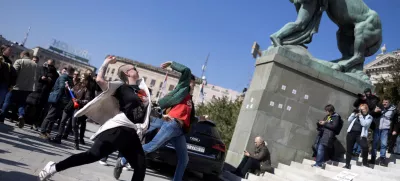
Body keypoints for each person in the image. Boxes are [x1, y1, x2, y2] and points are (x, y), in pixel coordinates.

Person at [38, 56, 151, 181]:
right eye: (134, 69)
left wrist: (162, 115)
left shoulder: (142, 90)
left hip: (132, 133)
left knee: (141, 167)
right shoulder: (121, 88)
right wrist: (106, 63)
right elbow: (99, 80)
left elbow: (145, 110)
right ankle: (53, 167)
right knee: (92, 155)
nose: (137, 70)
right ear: (127, 73)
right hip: (119, 129)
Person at [114, 61, 195, 181]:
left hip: (179, 131)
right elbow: (186, 70)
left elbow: (189, 117)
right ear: (189, 82)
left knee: (184, 159)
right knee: (151, 146)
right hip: (172, 125)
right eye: (193, 83)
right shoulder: (183, 88)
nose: (193, 86)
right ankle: (123, 160)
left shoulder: (190, 100)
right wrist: (171, 64)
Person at [48, 74, 92, 150]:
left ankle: (76, 142)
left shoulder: (87, 89)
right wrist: (67, 89)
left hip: (77, 107)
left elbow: (87, 100)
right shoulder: (77, 85)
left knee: (74, 124)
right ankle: (58, 137)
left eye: (82, 77)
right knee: (62, 121)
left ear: (86, 79)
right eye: (81, 77)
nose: (80, 78)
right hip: (70, 105)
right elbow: (70, 94)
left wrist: (79, 101)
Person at [0, 51, 38, 127]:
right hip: (27, 88)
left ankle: (1, 118)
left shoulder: (19, 61)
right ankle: (21, 115)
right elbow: (36, 77)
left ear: (23, 55)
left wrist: (10, 84)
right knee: (22, 103)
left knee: (7, 101)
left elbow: (13, 73)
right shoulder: (35, 65)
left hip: (16, 86)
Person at [39, 66, 75, 138]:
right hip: (59, 99)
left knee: (52, 116)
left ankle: (46, 131)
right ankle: (42, 131)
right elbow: (62, 87)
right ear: (71, 72)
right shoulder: (64, 77)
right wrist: (67, 88)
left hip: (61, 99)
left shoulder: (67, 78)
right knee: (50, 115)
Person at [26, 59, 59, 130]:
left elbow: (55, 84)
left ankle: (35, 123)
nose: (49, 66)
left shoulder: (55, 74)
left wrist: (50, 80)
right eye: (48, 64)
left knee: (39, 109)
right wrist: (40, 78)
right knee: (29, 105)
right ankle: (23, 119)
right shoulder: (40, 68)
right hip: (36, 90)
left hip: (45, 92)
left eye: (51, 65)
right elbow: (35, 76)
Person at [312, 104, 343, 169]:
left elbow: (334, 126)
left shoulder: (336, 117)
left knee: (321, 149)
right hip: (322, 134)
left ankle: (319, 164)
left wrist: (325, 123)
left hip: (328, 135)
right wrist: (319, 124)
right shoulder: (328, 116)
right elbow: (325, 125)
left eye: (327, 111)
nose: (326, 112)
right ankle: (319, 162)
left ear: (330, 110)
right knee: (318, 148)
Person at [343, 104, 372, 169]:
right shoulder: (356, 115)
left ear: (366, 109)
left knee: (365, 147)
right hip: (351, 133)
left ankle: (365, 162)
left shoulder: (369, 117)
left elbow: (364, 124)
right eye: (360, 109)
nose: (361, 110)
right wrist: (354, 113)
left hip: (360, 135)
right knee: (349, 149)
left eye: (362, 109)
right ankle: (347, 164)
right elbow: (349, 120)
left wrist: (360, 116)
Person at [371, 98, 397, 166]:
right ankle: (373, 159)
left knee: (384, 144)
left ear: (389, 103)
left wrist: (395, 130)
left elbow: (395, 121)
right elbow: (371, 114)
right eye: (384, 102)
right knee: (374, 144)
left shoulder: (393, 110)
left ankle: (382, 159)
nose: (384, 103)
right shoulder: (379, 107)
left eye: (386, 102)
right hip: (377, 128)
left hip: (386, 129)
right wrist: (375, 111)